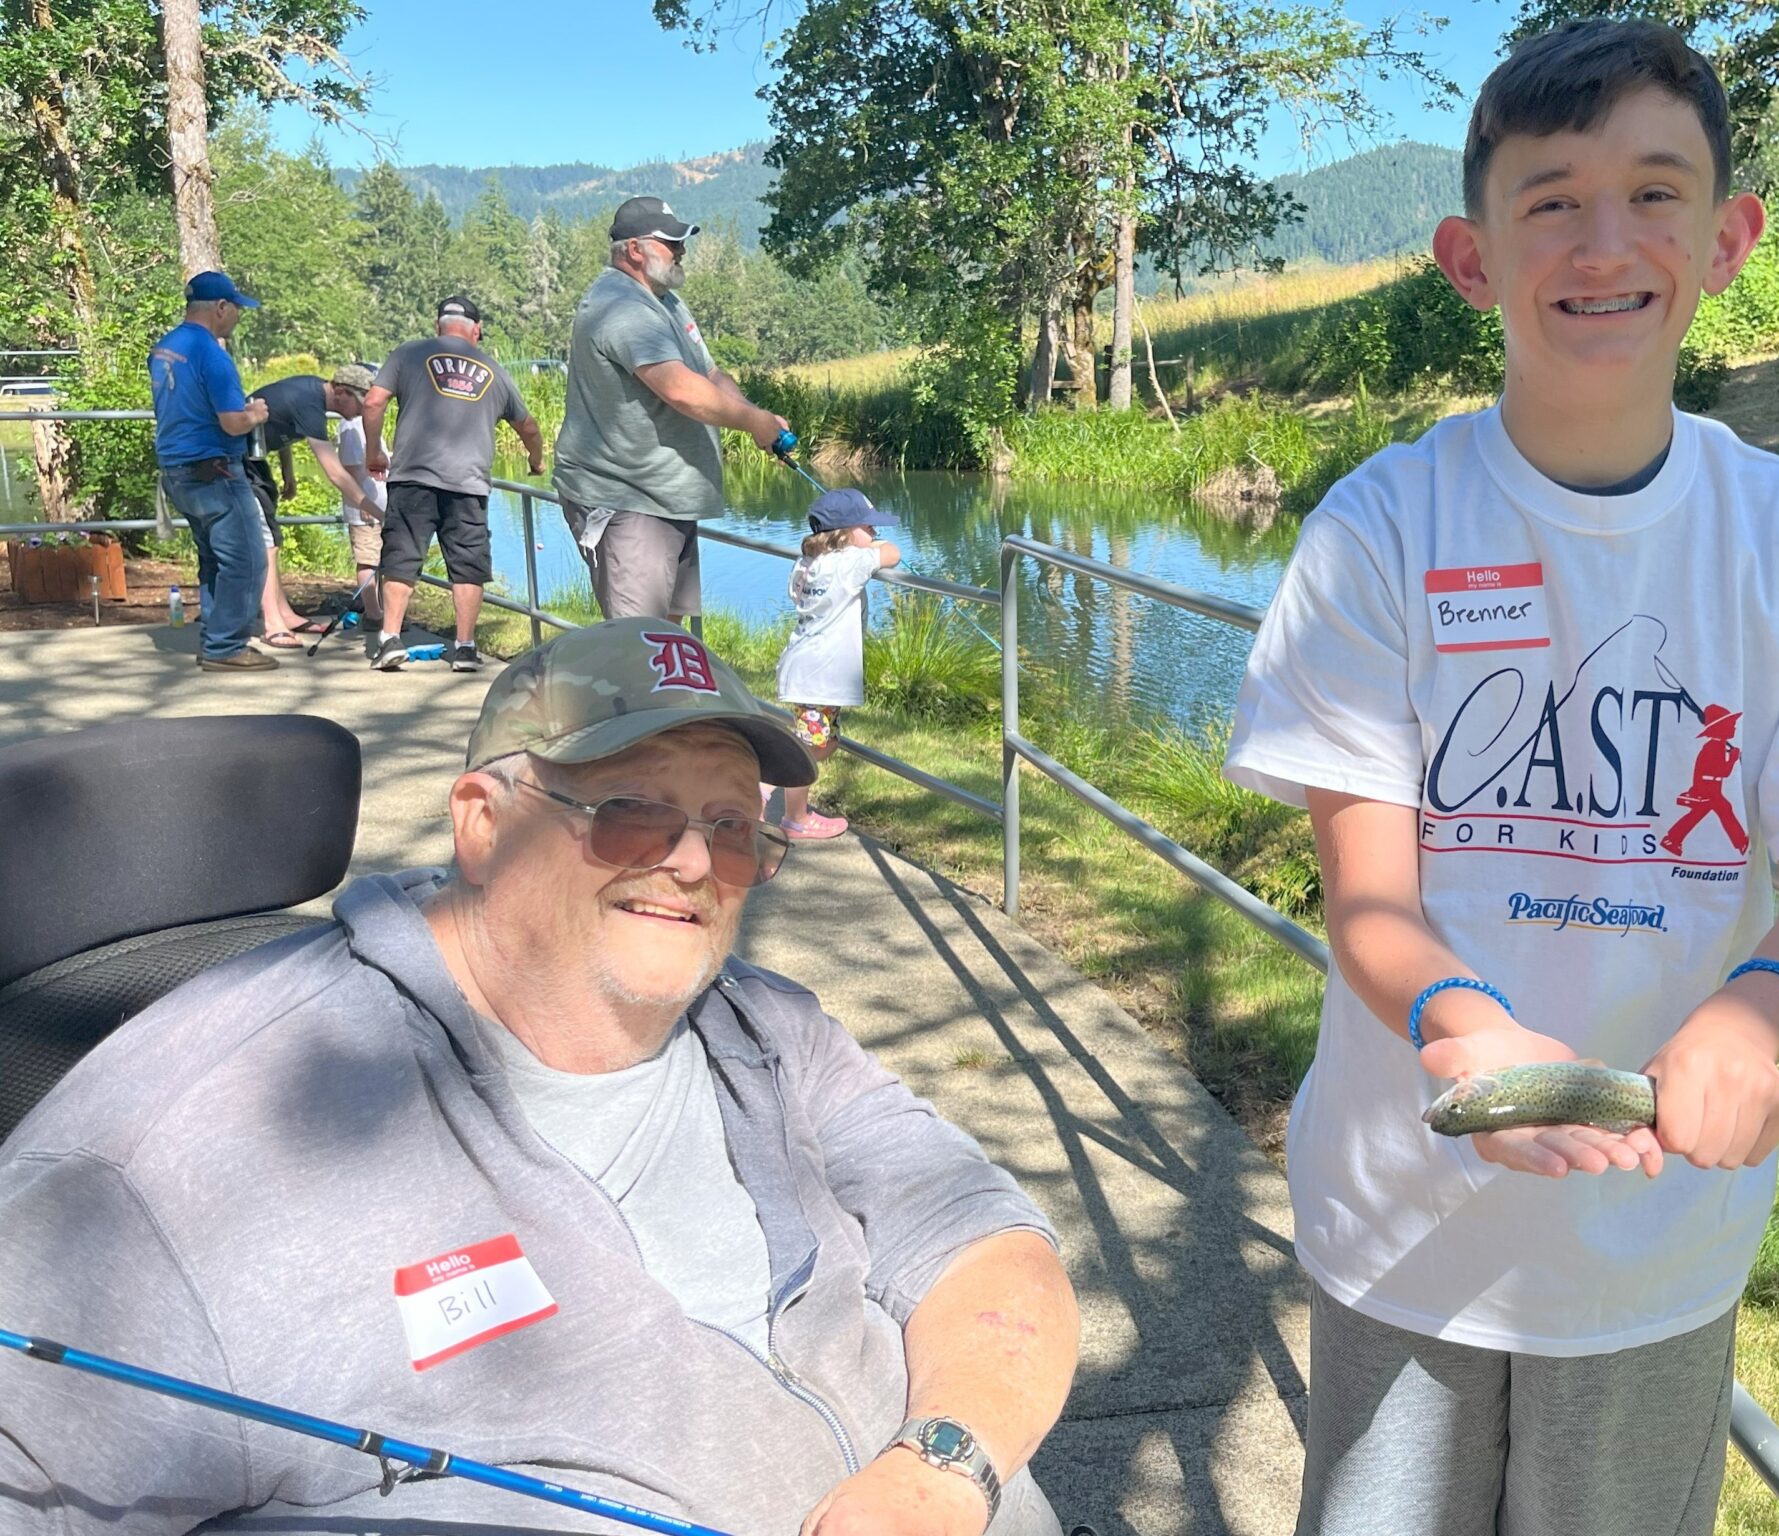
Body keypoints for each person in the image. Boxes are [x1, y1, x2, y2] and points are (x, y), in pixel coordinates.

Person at [1222, 20, 1779, 1535]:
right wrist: (1462, 1030)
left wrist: (1762, 1014)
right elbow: (1367, 893)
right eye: (1550, 199)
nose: (1603, 243)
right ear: (1470, 256)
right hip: (1401, 1220)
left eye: (1654, 192)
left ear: (1730, 235)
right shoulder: (1378, 530)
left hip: (1658, 1249)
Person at [0, 618, 1079, 1536]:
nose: (693, 864)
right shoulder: (159, 1170)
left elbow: (981, 1238)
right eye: (631, 812)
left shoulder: (764, 1022)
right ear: (482, 820)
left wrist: (940, 1470)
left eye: (731, 828)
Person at [555, 196, 790, 624]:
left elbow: (710, 374)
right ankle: (626, 695)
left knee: (668, 638)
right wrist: (752, 423)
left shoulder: (665, 301)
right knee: (639, 642)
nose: (681, 250)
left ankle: (665, 695)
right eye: (670, 242)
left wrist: (758, 417)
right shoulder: (621, 305)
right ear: (634, 249)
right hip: (627, 499)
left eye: (681, 241)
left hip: (667, 499)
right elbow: (680, 389)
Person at [361, 297, 546, 673]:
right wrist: (536, 459)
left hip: (413, 476)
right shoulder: (494, 369)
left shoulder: (408, 354)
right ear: (476, 330)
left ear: (438, 326)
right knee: (468, 566)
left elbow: (372, 402)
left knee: (401, 557)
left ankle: (391, 639)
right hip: (468, 483)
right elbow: (527, 426)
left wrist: (374, 452)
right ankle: (464, 647)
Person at [146, 270, 275, 672]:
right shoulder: (212, 355)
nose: (238, 316)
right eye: (236, 308)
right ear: (220, 308)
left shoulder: (164, 347)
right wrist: (254, 414)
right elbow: (232, 422)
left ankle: (215, 637)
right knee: (249, 560)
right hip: (216, 470)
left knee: (214, 558)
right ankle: (225, 647)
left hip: (176, 468)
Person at [771, 488, 901, 840]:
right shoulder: (848, 564)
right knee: (809, 746)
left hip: (805, 667)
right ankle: (792, 812)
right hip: (819, 674)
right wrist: (873, 549)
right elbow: (893, 554)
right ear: (844, 534)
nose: (875, 533)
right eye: (868, 527)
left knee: (824, 742)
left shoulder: (807, 564)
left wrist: (861, 546)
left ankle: (770, 782)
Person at [242, 362, 380, 649]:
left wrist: (288, 473)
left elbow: (282, 426)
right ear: (341, 392)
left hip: (253, 463)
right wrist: (375, 508)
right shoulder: (310, 401)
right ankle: (273, 625)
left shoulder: (309, 393)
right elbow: (335, 472)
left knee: (273, 538)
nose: (362, 411)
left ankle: (286, 615)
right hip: (233, 462)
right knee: (266, 542)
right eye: (360, 403)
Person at [335, 382, 387, 627]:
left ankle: (384, 608)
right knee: (368, 558)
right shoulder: (351, 425)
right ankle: (373, 612)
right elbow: (351, 467)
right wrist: (364, 503)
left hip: (380, 503)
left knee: (383, 557)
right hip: (365, 508)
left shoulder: (366, 424)